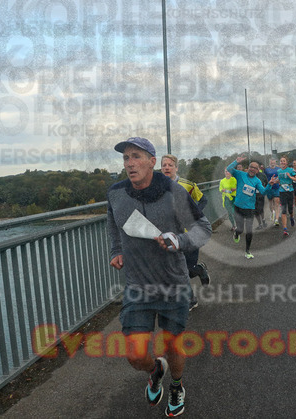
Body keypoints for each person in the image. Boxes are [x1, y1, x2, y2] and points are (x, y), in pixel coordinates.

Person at [107, 137, 212, 416]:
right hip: (138, 286)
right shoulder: (116, 193)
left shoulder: (173, 191)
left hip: (172, 284)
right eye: (126, 158)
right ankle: (155, 369)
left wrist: (180, 240)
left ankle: (176, 385)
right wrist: (117, 249)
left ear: (152, 162)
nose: (130, 163)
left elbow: (203, 228)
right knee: (135, 354)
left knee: (172, 345)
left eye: (136, 157)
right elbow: (113, 220)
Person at [161, 154, 211, 311]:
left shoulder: (187, 185)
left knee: (187, 269)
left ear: (176, 168)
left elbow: (203, 200)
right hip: (171, 234)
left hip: (190, 234)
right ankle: (190, 300)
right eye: (164, 165)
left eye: (170, 165)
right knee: (175, 268)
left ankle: (199, 269)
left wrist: (192, 215)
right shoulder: (158, 187)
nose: (167, 168)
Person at [226, 155, 278, 258]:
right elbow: (229, 169)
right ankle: (237, 233)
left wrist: (269, 184)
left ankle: (247, 251)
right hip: (238, 207)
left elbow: (263, 192)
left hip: (250, 209)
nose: (252, 169)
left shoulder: (257, 181)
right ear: (248, 168)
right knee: (240, 229)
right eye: (251, 167)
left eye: (255, 168)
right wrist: (236, 161)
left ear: (257, 170)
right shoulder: (240, 174)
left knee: (249, 231)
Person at [277, 156, 296, 236]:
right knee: (283, 210)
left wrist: (290, 177)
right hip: (282, 192)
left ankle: (291, 217)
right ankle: (285, 229)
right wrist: (274, 181)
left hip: (290, 191)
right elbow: (279, 180)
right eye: (281, 161)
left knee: (290, 209)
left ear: (286, 162)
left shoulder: (290, 170)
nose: (282, 162)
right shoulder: (278, 171)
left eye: (284, 161)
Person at [264, 158, 281, 226]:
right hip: (269, 188)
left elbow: (280, 177)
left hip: (276, 188)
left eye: (273, 162)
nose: (272, 163)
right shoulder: (266, 170)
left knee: (277, 202)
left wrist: (278, 181)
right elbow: (264, 178)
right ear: (269, 163)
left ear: (275, 162)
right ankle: (273, 212)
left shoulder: (278, 169)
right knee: (270, 203)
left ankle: (276, 220)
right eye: (271, 162)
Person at [254, 165, 268, 229]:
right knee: (255, 210)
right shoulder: (250, 176)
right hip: (253, 196)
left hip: (260, 195)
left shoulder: (262, 175)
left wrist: (264, 189)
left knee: (260, 209)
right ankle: (259, 224)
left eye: (256, 168)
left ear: (259, 168)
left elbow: (266, 183)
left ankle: (263, 220)